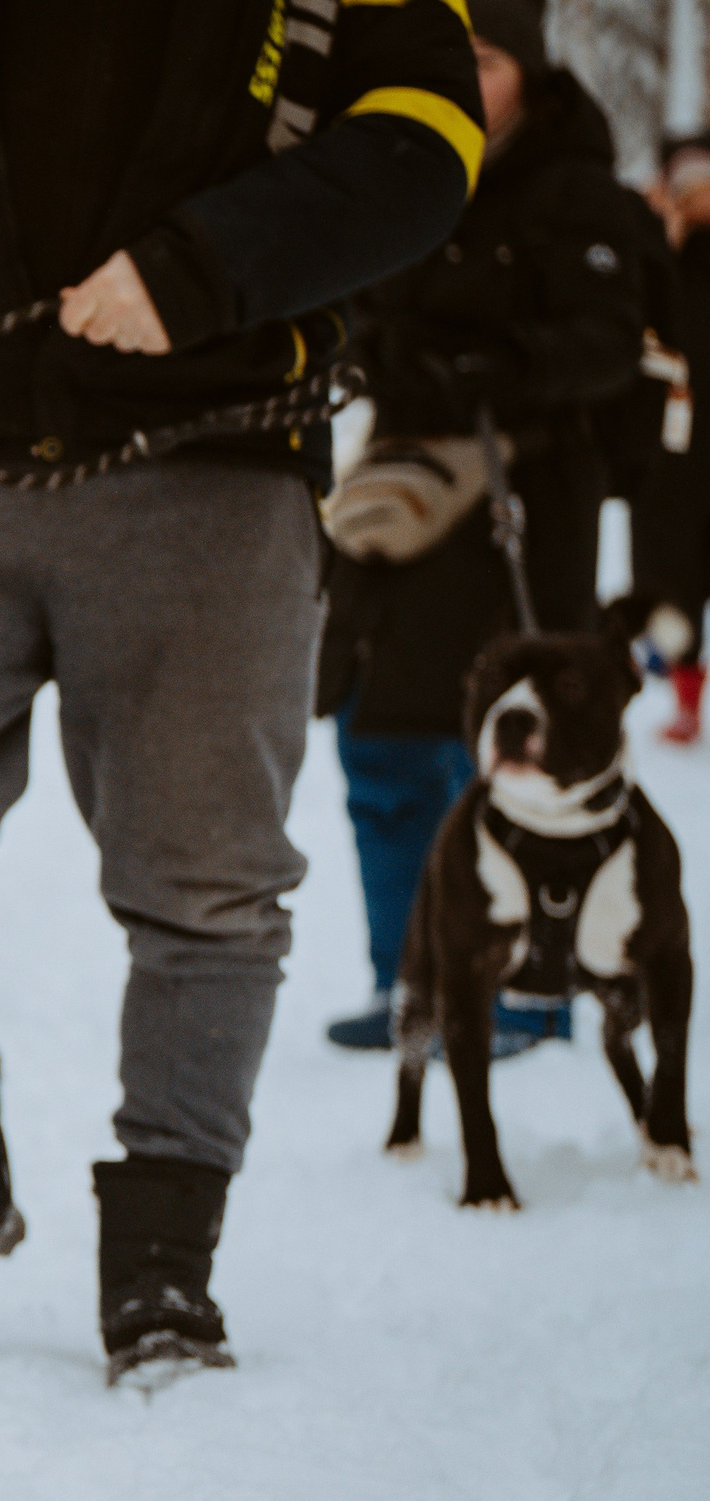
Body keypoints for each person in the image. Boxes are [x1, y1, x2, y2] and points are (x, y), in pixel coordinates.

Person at [0, 0, 483, 1383]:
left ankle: (165, 1261)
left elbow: (425, 142)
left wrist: (201, 270)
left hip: (221, 446)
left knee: (207, 878)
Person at [317, 4, 647, 1055]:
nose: (461, 76)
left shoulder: (579, 192)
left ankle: (528, 987)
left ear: (533, 72)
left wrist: (478, 368)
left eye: (485, 57)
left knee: (510, 761)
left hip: (519, 511)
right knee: (377, 746)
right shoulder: (391, 174)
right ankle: (408, 979)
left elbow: (606, 347)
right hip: (395, 509)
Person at [628, 134, 710, 744]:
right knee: (672, 571)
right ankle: (683, 690)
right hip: (674, 449)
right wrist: (662, 239)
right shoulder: (659, 254)